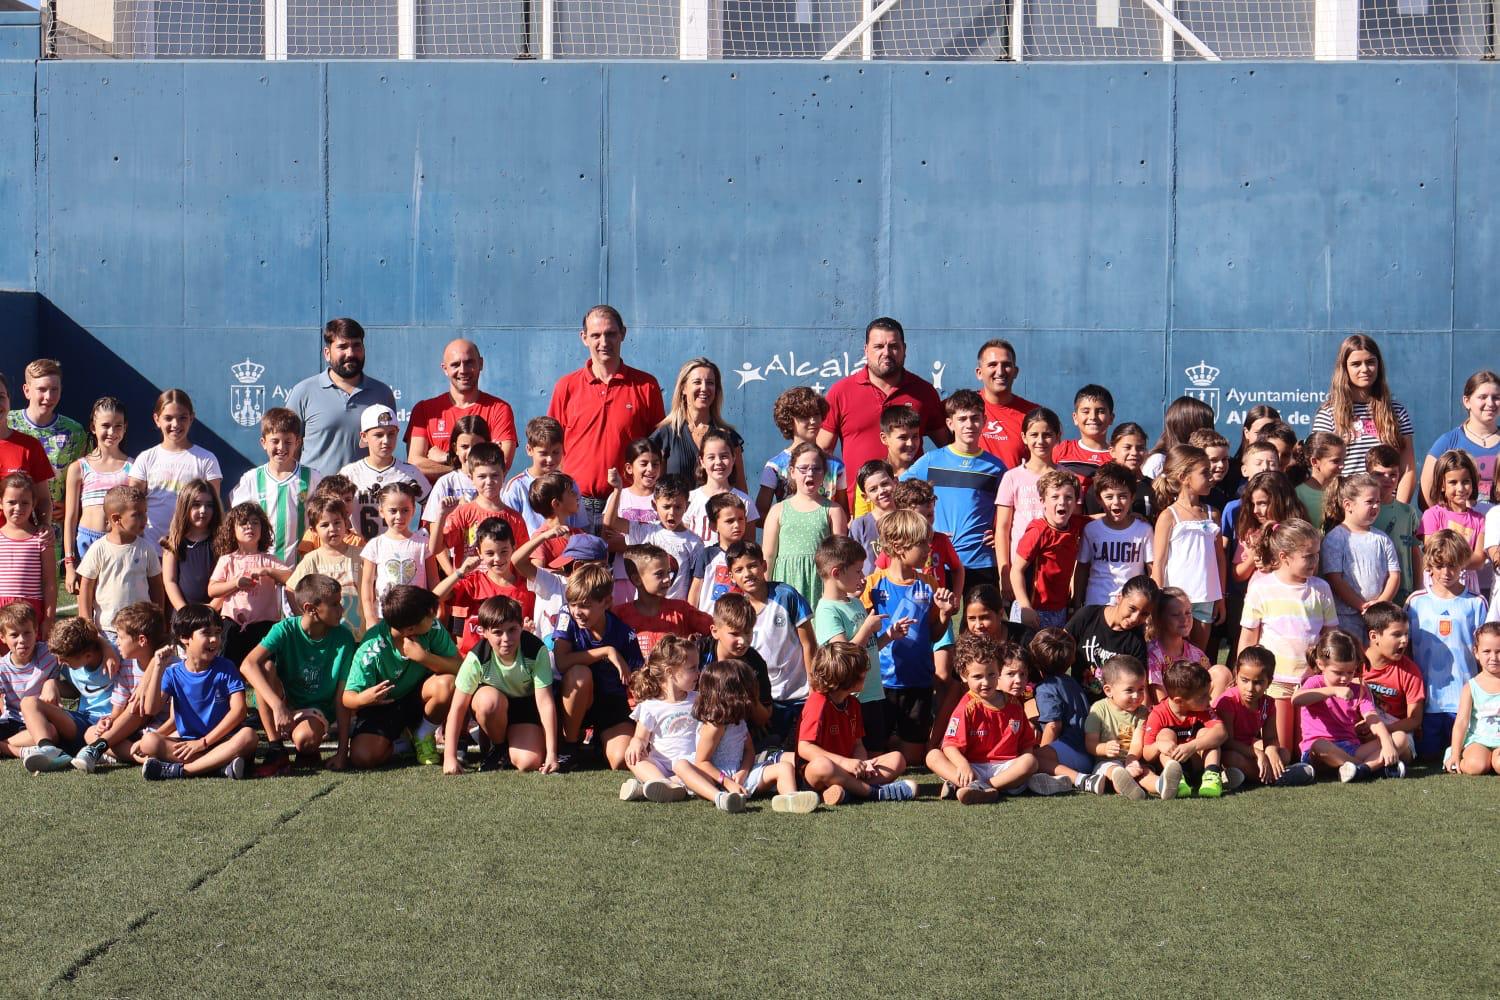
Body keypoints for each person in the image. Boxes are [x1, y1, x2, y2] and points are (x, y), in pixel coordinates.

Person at [547, 305, 665, 530]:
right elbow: (551, 446)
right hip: (575, 507)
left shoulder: (646, 386)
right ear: (584, 338)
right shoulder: (566, 387)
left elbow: (657, 449)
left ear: (623, 334)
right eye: (596, 335)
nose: (604, 342)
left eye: (610, 334)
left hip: (627, 506)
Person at [818, 317, 948, 510]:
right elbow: (822, 451)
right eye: (878, 346)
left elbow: (948, 448)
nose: (886, 353)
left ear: (904, 349)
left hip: (911, 508)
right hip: (860, 508)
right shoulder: (841, 392)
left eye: (893, 346)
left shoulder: (924, 392)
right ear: (866, 350)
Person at [865, 509, 958, 764]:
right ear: (898, 546)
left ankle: (899, 741)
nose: (929, 548)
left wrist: (945, 614)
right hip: (880, 684)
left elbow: (934, 634)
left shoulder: (929, 585)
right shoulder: (872, 585)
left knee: (913, 759)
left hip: (918, 682)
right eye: (922, 543)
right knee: (874, 753)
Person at [239, 573, 357, 775]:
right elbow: (247, 665)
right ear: (310, 609)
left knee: (305, 741)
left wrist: (342, 753)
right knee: (265, 667)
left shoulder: (344, 638)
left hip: (317, 709)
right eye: (334, 604)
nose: (341, 609)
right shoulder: (285, 629)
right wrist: (278, 706)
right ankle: (276, 749)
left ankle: (308, 746)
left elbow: (341, 698)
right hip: (285, 703)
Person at [1239, 519, 1337, 759]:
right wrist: (1241, 675)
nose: (1315, 561)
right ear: (1284, 557)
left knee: (1307, 750)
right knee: (1284, 751)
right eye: (1308, 556)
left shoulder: (1321, 588)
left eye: (1317, 554)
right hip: (1276, 682)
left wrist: (1323, 669)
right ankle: (1245, 750)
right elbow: (1248, 638)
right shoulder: (1261, 588)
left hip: (1311, 681)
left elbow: (1329, 636)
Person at [675, 658, 817, 813]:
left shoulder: (739, 720)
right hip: (714, 779)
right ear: (731, 692)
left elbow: (749, 750)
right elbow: (702, 762)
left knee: (785, 767)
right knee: (681, 765)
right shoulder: (714, 725)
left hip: (739, 775)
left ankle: (790, 799)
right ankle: (719, 797)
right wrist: (727, 782)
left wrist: (743, 772)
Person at [135, 604, 259, 781]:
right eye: (206, 633)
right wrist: (158, 667)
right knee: (149, 741)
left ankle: (183, 771)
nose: (215, 639)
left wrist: (203, 743)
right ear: (185, 638)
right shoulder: (172, 673)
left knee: (249, 736)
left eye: (218, 633)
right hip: (189, 745)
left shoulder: (226, 668)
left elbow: (239, 711)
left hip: (223, 741)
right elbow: (151, 709)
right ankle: (218, 767)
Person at [341, 584, 460, 768]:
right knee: (363, 757)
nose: (434, 618)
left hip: (420, 698)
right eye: (429, 616)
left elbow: (459, 666)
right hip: (384, 706)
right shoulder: (371, 647)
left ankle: (423, 734)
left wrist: (424, 657)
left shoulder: (433, 628)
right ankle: (401, 741)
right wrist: (364, 698)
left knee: (447, 684)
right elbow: (348, 697)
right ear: (410, 629)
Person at [813, 535, 912, 755]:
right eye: (858, 571)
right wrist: (867, 628)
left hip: (873, 692)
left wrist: (888, 636)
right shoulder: (827, 610)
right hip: (852, 698)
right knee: (856, 752)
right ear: (837, 573)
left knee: (876, 749)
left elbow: (869, 648)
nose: (863, 576)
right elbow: (843, 656)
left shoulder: (855, 602)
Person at [901, 389, 1006, 592]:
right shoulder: (930, 461)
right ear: (950, 424)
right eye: (962, 419)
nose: (969, 424)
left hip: (981, 561)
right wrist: (922, 529)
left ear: (984, 421)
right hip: (937, 561)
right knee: (938, 613)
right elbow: (899, 494)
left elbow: (1009, 511)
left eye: (975, 418)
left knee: (980, 614)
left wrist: (1000, 534)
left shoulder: (996, 467)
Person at [441, 595, 559, 775]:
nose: (506, 638)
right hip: (493, 705)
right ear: (483, 632)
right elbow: (457, 708)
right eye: (497, 632)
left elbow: (545, 703)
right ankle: (497, 747)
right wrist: (449, 757)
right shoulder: (477, 657)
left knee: (528, 762)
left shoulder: (536, 650)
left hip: (524, 707)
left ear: (521, 626)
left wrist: (551, 754)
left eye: (512, 630)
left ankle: (505, 741)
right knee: (488, 702)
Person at [797, 640, 916, 805]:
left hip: (849, 770)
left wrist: (862, 763)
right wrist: (844, 762)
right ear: (846, 677)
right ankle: (874, 793)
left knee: (897, 759)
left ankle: (847, 792)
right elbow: (804, 747)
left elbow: (858, 744)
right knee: (823, 766)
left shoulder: (853, 704)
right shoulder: (818, 702)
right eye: (862, 671)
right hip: (817, 774)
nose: (866, 672)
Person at [927, 635, 1042, 803]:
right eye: (978, 677)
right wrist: (963, 765)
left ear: (999, 671)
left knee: (1030, 761)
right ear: (964, 676)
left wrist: (1025, 769)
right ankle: (971, 784)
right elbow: (950, 746)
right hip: (972, 767)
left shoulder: (1014, 704)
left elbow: (1026, 745)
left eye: (991, 674)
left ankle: (983, 787)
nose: (986, 682)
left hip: (1004, 769)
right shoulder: (966, 706)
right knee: (933, 756)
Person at [553, 562, 644, 771]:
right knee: (580, 674)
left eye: (585, 605)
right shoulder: (566, 614)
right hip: (575, 699)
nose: (577, 611)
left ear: (607, 602)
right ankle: (570, 746)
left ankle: (599, 742)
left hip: (610, 702)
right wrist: (607, 651)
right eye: (573, 604)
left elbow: (638, 679)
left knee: (621, 759)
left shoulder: (624, 633)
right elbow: (562, 662)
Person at [725, 540, 815, 749]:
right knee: (769, 752)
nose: (747, 574)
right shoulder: (735, 609)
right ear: (731, 576)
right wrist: (756, 705)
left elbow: (809, 644)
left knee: (802, 752)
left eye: (752, 566)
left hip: (800, 696)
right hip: (765, 702)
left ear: (764, 566)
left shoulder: (786, 595)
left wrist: (814, 689)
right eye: (739, 570)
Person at [1407, 530, 1488, 759]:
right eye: (1439, 565)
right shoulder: (1415, 602)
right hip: (1427, 701)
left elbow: (1485, 652)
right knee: (1427, 754)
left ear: (1463, 563)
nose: (1446, 572)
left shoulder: (1475, 603)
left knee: (1464, 753)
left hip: (1464, 701)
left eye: (1452, 565)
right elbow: (1406, 651)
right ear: (1429, 564)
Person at [285, 318, 398, 477]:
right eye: (342, 347)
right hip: (315, 491)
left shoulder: (382, 393)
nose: (350, 353)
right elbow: (288, 448)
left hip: (365, 491)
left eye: (356, 345)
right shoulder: (303, 392)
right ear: (327, 353)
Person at [1295, 628, 1410, 781]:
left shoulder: (1359, 689)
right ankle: (1369, 768)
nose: (1344, 678)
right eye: (1338, 672)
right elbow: (1296, 699)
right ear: (1321, 664)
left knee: (1401, 737)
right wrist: (1332, 691)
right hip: (1320, 755)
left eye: (1350, 672)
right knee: (1320, 745)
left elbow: (1372, 718)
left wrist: (1387, 742)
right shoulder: (1314, 682)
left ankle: (1359, 770)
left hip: (1351, 749)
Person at [1312, 333, 1415, 500]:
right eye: (1356, 364)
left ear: (1379, 365)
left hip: (1386, 506)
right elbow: (1320, 472)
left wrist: (1397, 509)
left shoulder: (1396, 411)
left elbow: (1408, 469)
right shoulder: (1328, 414)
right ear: (1344, 368)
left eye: (1370, 362)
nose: (1364, 369)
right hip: (1344, 506)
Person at [432, 517, 549, 656]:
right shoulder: (473, 583)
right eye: (490, 553)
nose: (498, 559)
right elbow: (433, 598)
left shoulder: (527, 588)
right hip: (474, 662)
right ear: (479, 552)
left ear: (514, 548)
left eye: (504, 551)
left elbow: (528, 629)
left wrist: (526, 633)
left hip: (512, 662)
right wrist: (459, 573)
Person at [406, 338, 518, 480]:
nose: (463, 370)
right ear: (445, 369)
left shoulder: (499, 409)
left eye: (469, 362)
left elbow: (501, 466)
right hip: (434, 495)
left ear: (481, 364)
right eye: (455, 364)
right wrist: (464, 470)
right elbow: (415, 464)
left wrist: (446, 458)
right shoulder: (424, 410)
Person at [1150, 445, 1225, 650]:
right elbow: (1159, 563)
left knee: (1197, 655)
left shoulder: (1213, 514)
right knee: (1171, 653)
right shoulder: (1168, 516)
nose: (1211, 477)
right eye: (1204, 472)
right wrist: (1157, 600)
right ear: (1184, 477)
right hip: (1175, 599)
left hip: (1206, 598)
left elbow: (1220, 558)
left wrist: (1220, 597)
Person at [618, 636, 707, 805]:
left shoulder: (699, 699)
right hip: (660, 765)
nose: (699, 672)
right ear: (670, 672)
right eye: (692, 668)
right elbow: (640, 737)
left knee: (701, 768)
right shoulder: (650, 706)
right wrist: (635, 744)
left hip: (691, 764)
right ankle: (665, 784)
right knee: (635, 760)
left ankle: (650, 788)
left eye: (698, 667)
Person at [128, 389, 220, 549]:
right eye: (168, 418)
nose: (176, 424)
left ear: (192, 418)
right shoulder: (145, 458)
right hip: (151, 548)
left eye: (182, 418)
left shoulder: (207, 459)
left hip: (192, 551)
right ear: (157, 419)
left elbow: (213, 507)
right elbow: (132, 504)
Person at [228, 408, 321, 565]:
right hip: (260, 568)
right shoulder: (251, 479)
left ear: (298, 442)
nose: (281, 447)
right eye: (275, 441)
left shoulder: (312, 477)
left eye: (288, 442)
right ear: (263, 442)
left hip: (300, 568)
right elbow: (238, 523)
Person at [206, 502, 292, 667]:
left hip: (265, 627)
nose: (249, 526)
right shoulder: (227, 560)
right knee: (229, 667)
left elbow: (292, 578)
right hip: (232, 625)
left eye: (255, 522)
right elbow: (212, 589)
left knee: (265, 668)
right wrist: (236, 583)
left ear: (263, 528)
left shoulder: (269, 560)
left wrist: (268, 571)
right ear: (232, 529)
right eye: (243, 523)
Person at [62, 397, 133, 596]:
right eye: (105, 425)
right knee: (86, 605)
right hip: (87, 543)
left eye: (118, 426)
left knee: (117, 601)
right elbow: (70, 518)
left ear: (125, 428)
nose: (112, 432)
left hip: (120, 544)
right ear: (93, 427)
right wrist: (69, 563)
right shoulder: (79, 468)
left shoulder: (133, 468)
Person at [9, 359, 86, 544]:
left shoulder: (74, 432)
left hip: (53, 531)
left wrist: (71, 506)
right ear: (27, 390)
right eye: (42, 389)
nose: (49, 396)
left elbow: (87, 477)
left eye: (54, 389)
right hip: (10, 526)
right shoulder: (8, 423)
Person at [1214, 645, 1312, 787]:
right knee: (1231, 758)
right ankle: (1277, 778)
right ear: (1236, 674)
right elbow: (1227, 742)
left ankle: (1250, 775)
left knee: (1284, 754)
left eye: (1258, 682)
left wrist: (1271, 752)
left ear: (1269, 682)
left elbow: (1271, 738)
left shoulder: (1268, 703)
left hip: (1249, 748)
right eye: (1244, 680)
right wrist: (1258, 754)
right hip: (1231, 750)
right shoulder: (1228, 701)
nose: (1250, 688)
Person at [763, 443, 846, 610]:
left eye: (816, 468)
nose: (810, 473)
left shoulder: (833, 510)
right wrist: (763, 592)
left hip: (820, 583)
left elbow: (840, 556)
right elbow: (769, 555)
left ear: (824, 473)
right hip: (786, 583)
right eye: (803, 468)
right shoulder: (778, 510)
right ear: (792, 472)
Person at [76, 485, 163, 642]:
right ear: (116, 519)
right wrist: (86, 622)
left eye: (145, 513)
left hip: (141, 629)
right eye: (137, 515)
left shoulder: (146, 548)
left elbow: (156, 585)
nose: (144, 519)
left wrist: (158, 618)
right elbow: (86, 586)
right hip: (108, 630)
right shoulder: (99, 548)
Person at [431, 442, 528, 576]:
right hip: (469, 587)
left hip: (502, 587)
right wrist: (441, 516)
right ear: (471, 478)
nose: (489, 482)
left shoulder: (515, 519)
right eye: (482, 476)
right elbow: (435, 549)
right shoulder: (463, 513)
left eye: (494, 475)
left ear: (504, 474)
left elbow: (522, 559)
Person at [1320, 473, 1400, 636]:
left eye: (1378, 501)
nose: (1376, 506)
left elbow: (1394, 575)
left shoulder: (1382, 539)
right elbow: (1335, 579)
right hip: (1346, 617)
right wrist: (1361, 605)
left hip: (1378, 618)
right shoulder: (1336, 538)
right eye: (1369, 502)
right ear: (1348, 505)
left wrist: (1380, 604)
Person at [649, 357, 746, 490]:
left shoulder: (728, 437)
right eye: (697, 382)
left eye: (710, 383)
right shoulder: (665, 435)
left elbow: (741, 491)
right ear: (683, 388)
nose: (704, 388)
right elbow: (654, 490)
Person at [339, 404, 432, 542]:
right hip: (359, 550)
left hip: (398, 551)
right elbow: (332, 511)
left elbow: (434, 508)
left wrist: (422, 535)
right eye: (379, 435)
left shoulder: (410, 472)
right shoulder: (349, 473)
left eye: (391, 434)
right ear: (364, 436)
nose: (386, 441)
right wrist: (346, 535)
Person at [1142, 659, 1233, 799]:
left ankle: (1211, 776)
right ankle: (1178, 781)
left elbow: (1222, 733)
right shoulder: (1158, 714)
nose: (1209, 698)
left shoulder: (1203, 709)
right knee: (1165, 734)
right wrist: (1160, 745)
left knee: (1207, 733)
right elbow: (1147, 754)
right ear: (1179, 701)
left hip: (1197, 761)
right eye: (1203, 696)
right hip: (1174, 762)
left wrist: (1192, 746)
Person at [1009, 470, 1086, 630]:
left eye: (1068, 497)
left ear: (1075, 502)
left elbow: (1100, 519)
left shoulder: (1075, 524)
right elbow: (1016, 571)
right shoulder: (1037, 531)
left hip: (1060, 609)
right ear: (1042, 501)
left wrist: (1131, 517)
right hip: (1032, 609)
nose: (1062, 502)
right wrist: (1025, 607)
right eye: (1055, 497)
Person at [612, 544, 713, 660]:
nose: (667, 579)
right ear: (637, 579)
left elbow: (716, 629)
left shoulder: (681, 610)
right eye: (659, 574)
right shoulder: (619, 615)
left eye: (668, 572)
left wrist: (695, 649)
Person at [994, 406, 1061, 583]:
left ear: (1057, 436)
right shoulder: (1012, 477)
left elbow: (1074, 525)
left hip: (1056, 564)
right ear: (1024, 437)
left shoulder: (1067, 478)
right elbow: (1002, 528)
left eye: (1047, 435)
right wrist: (1004, 573)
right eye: (1034, 435)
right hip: (1020, 567)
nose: (1040, 441)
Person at [359, 482, 438, 628]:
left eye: (405, 510)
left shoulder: (423, 544)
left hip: (418, 617)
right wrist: (370, 616)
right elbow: (367, 584)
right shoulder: (375, 545)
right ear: (381, 511)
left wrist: (435, 611)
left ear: (414, 510)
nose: (399, 516)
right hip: (384, 617)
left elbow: (433, 581)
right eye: (393, 511)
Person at [758, 386, 846, 515]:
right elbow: (761, 513)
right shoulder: (775, 466)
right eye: (805, 416)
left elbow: (844, 512)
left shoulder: (836, 466)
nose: (813, 421)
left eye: (816, 414)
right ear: (789, 421)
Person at [287, 495, 365, 639]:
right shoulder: (312, 559)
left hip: (359, 633)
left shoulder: (362, 555)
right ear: (313, 530)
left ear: (346, 523)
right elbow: (291, 588)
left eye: (337, 522)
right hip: (326, 637)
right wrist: (304, 619)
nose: (333, 529)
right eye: (325, 525)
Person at [1076, 462, 1154, 606]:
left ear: (1132, 497)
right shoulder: (1091, 530)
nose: (1116, 502)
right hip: (1097, 603)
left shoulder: (1144, 530)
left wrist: (1152, 605)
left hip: (1132, 605)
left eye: (1123, 496)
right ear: (1099, 499)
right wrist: (1076, 602)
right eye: (1109, 496)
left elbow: (1151, 568)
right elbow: (1082, 568)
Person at [1027, 628, 1095, 792]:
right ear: (1071, 659)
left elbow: (1053, 725)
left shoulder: (1045, 688)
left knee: (1031, 760)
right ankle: (1060, 781)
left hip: (1069, 749)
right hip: (1086, 752)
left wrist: (1043, 751)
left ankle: (1082, 780)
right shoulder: (1072, 682)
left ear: (1034, 661)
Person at [1064, 574, 1155, 698]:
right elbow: (1058, 647)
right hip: (1075, 698)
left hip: (1111, 706)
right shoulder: (1088, 616)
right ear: (1119, 598)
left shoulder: (1136, 641)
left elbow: (1140, 687)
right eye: (1132, 608)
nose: (1135, 618)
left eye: (1144, 614)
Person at [701, 593, 774, 744]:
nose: (743, 641)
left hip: (741, 737)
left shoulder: (755, 663)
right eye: (734, 634)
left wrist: (748, 693)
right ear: (715, 631)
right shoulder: (698, 654)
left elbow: (764, 718)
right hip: (699, 730)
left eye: (748, 632)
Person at [1422, 369, 1500, 504]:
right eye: (1482, 397)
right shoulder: (1447, 442)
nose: (1490, 403)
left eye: (1496, 397)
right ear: (1467, 401)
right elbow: (1427, 497)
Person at [502, 416, 590, 536]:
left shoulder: (570, 485)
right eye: (543, 453)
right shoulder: (516, 487)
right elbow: (508, 531)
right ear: (529, 450)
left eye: (556, 452)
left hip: (567, 546)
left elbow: (581, 527)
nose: (550, 459)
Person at [1082, 655, 1154, 799]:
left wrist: (1131, 760)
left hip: (1133, 760)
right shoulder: (1099, 709)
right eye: (1129, 690)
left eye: (1141, 689)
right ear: (1108, 690)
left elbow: (1137, 742)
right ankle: (1128, 787)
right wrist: (1104, 748)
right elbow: (1090, 743)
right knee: (1114, 770)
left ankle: (1161, 785)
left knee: (1146, 772)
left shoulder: (1142, 712)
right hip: (1106, 762)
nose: (1137, 696)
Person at [1421, 449, 1486, 595]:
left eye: (1466, 482)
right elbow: (1433, 553)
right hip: (1438, 584)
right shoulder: (1432, 515)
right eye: (1453, 482)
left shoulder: (1479, 520)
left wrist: (1449, 558)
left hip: (1468, 587)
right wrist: (1460, 560)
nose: (1460, 488)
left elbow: (1479, 560)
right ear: (1442, 485)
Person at [1360, 601, 1425, 746]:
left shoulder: (1410, 671)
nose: (1404, 640)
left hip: (1395, 729)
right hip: (1361, 725)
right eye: (1397, 634)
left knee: (1400, 740)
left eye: (1406, 634)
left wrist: (1383, 730)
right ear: (1374, 636)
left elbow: (1415, 719)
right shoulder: (1355, 663)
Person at [0, 602, 58, 760]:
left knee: (52, 732)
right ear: (3, 637)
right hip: (12, 721)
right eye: (14, 635)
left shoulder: (49, 653)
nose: (22, 640)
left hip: (40, 721)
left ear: (36, 631)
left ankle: (5, 747)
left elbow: (74, 660)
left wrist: (52, 682)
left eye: (27, 633)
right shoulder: (2, 667)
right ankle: (19, 750)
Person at [0, 473, 56, 635]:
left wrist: (49, 619)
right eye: (12, 502)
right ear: (1, 502)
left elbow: (50, 583)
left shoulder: (42, 538)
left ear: (34, 504)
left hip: (31, 612)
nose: (18, 508)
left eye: (24, 502)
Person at [1368, 443, 1422, 603]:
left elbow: (1415, 552)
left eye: (1393, 474)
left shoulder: (1407, 512)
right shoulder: (1362, 511)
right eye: (1379, 474)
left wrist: (1419, 589)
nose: (1387, 479)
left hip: (1403, 593)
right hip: (1371, 594)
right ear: (1368, 473)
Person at [1445, 621, 1500, 775]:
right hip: (1478, 740)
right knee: (1476, 766)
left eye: (1499, 651)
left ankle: (1493, 760)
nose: (1493, 657)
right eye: (1487, 651)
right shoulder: (1471, 687)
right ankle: (1456, 755)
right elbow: (1461, 722)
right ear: (1476, 652)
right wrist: (1455, 754)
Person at [684, 429, 758, 542]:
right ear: (702, 461)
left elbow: (749, 545)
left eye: (724, 456)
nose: (718, 462)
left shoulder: (745, 502)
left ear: (733, 459)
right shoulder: (689, 499)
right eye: (711, 457)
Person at [418, 414, 488, 531]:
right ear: (455, 448)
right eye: (464, 447)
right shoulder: (445, 483)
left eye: (477, 446)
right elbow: (431, 528)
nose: (470, 453)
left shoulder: (493, 482)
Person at [160, 479, 221, 610]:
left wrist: (213, 608)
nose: (203, 510)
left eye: (209, 505)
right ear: (184, 506)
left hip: (217, 615)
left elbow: (229, 578)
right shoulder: (173, 543)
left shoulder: (222, 541)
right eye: (196, 504)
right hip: (184, 616)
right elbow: (170, 581)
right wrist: (184, 611)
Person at [974, 339, 1036, 470]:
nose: (1000, 371)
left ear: (1015, 371)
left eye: (1006, 365)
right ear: (979, 373)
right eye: (992, 365)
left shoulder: (1033, 415)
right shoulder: (961, 408)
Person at [1146, 585, 1212, 701]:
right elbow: (1160, 700)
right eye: (1176, 615)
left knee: (1221, 672)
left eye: (1188, 613)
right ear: (1159, 618)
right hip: (1168, 709)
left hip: (1197, 706)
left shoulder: (1196, 654)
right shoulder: (1153, 655)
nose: (1184, 619)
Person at [688, 493, 748, 614]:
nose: (737, 525)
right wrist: (691, 618)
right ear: (714, 526)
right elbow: (695, 591)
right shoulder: (706, 555)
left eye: (741, 519)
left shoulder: (750, 555)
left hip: (741, 620)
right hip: (708, 621)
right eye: (730, 521)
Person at [1084, 423, 1150, 518]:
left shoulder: (1153, 487)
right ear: (1112, 451)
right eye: (1127, 447)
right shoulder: (1099, 487)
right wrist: (1123, 520)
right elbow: (1086, 521)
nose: (1134, 453)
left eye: (1140, 448)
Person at [1141, 396, 1215, 480]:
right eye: (1206, 426)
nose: (1210, 432)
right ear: (1186, 427)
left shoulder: (1206, 460)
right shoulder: (1159, 461)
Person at [1053, 384, 1115, 480]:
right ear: (1075, 418)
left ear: (1111, 418)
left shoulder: (1118, 456)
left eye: (1100, 411)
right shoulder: (1062, 450)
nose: (1093, 417)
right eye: (1086, 412)